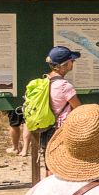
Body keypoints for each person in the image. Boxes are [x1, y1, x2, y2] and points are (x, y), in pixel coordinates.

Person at [39, 46, 82, 175]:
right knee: (63, 168)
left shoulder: (44, 81)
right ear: (64, 64)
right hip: (61, 131)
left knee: (50, 167)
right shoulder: (65, 86)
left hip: (47, 130)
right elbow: (80, 109)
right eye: (71, 61)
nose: (73, 63)